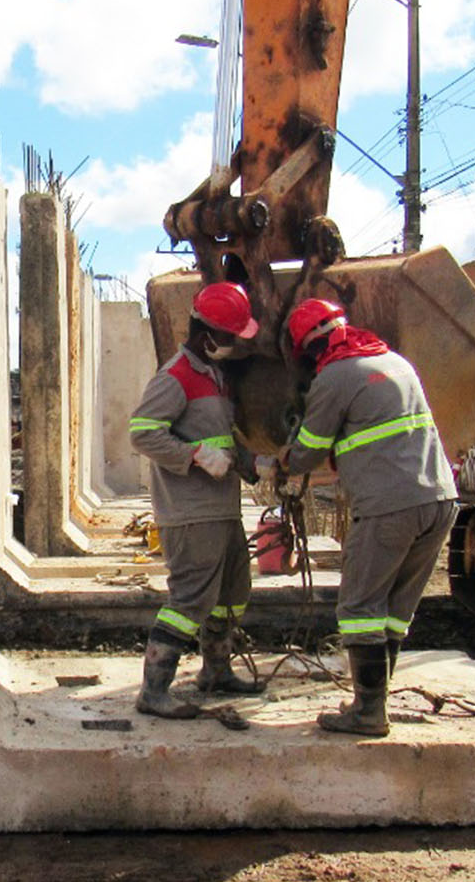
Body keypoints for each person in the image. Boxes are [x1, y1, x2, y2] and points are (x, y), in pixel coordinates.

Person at [277, 298, 457, 737]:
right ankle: (374, 700)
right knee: (394, 611)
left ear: (311, 347)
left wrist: (281, 461)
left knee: (358, 608)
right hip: (440, 499)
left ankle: (369, 712)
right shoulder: (396, 362)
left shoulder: (335, 376)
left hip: (388, 506)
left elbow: (308, 451)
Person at [127, 281, 269, 719]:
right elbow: (143, 433)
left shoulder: (217, 377)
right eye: (229, 337)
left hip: (222, 510)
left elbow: (222, 438)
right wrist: (195, 456)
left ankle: (216, 670)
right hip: (190, 514)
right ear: (209, 335)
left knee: (233, 593)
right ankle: (154, 691)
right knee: (189, 600)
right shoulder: (176, 377)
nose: (233, 345)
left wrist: (251, 462)